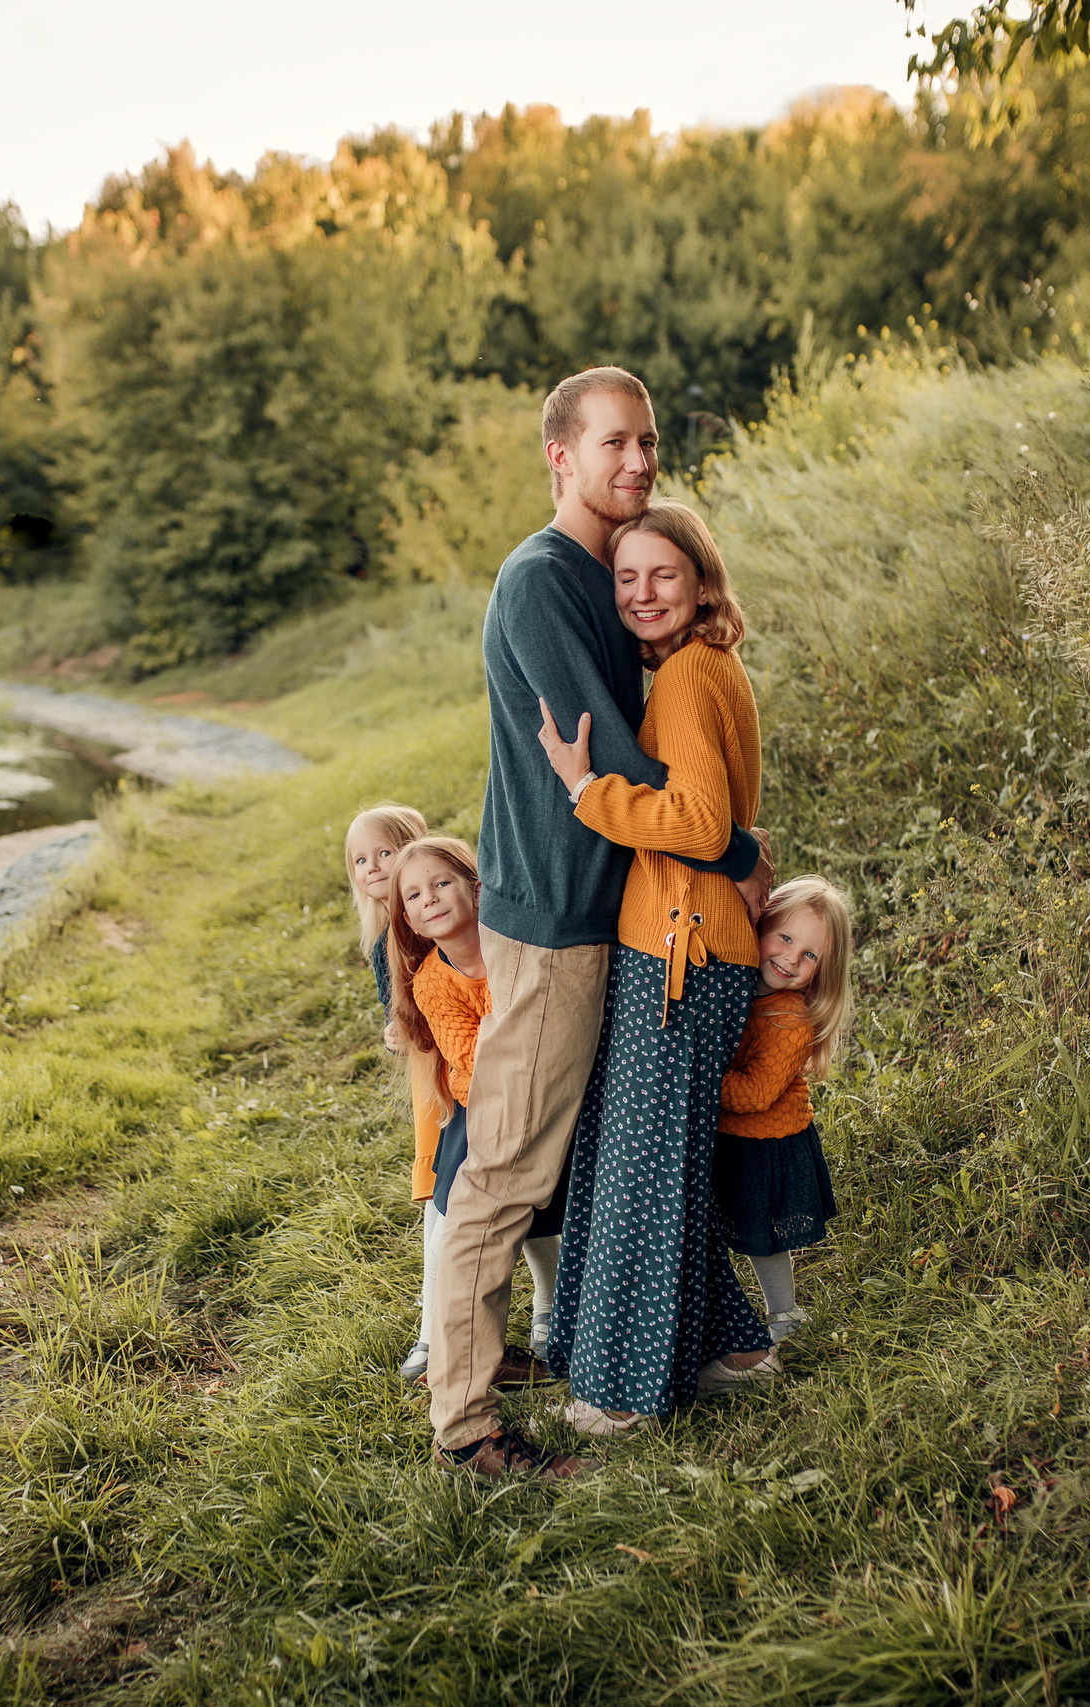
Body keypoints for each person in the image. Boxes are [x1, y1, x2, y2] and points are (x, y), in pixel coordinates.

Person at [431, 368, 769, 1479]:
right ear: (560, 457)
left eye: (648, 442)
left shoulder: (609, 573)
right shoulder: (540, 581)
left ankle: (661, 1339)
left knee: (590, 1152)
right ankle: (467, 1426)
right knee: (506, 1170)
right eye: (614, 443)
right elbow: (616, 761)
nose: (637, 462)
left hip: (613, 913)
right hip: (559, 919)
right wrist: (732, 849)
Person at [535, 501, 779, 1436]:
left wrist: (587, 790)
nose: (641, 593)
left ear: (701, 581)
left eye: (662, 576)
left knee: (641, 1167)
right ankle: (731, 1347)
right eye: (626, 578)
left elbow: (702, 825)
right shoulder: (708, 667)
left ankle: (623, 1394)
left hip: (686, 951)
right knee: (650, 1155)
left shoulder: (684, 677)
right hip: (690, 944)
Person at [384, 837, 565, 1384]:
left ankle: (551, 1310)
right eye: (414, 895)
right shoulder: (433, 982)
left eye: (442, 883)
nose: (430, 900)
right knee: (459, 1210)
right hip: (476, 1105)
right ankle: (441, 1336)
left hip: (551, 1088)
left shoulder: (512, 946)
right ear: (408, 920)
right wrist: (509, 1034)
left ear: (476, 887)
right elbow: (471, 1062)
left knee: (548, 1208)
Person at [714, 876, 854, 1345]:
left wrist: (697, 1076)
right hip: (728, 1134)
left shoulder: (791, 1018)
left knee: (763, 1237)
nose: (791, 958)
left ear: (822, 970)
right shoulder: (735, 983)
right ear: (761, 923)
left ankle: (785, 1314)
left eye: (810, 955)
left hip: (766, 1142)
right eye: (786, 938)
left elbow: (754, 1094)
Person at [342, 802, 439, 1380]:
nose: (374, 867)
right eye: (360, 859)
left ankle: (434, 1333)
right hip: (427, 1075)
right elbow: (401, 1014)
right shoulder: (382, 939)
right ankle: (433, 1324)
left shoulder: (422, 924)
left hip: (451, 1071)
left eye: (385, 852)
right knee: (438, 1194)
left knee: (446, 1197)